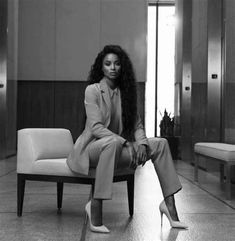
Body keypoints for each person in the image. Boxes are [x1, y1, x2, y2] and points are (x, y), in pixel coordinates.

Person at [67, 45, 188, 233]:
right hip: (92, 150)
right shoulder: (92, 90)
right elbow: (96, 127)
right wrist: (126, 143)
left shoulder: (126, 93)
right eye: (108, 64)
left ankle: (169, 205)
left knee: (161, 144)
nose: (113, 68)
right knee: (112, 142)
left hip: (114, 150)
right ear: (102, 67)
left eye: (117, 64)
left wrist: (141, 143)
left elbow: (137, 125)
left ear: (122, 67)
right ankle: (95, 205)